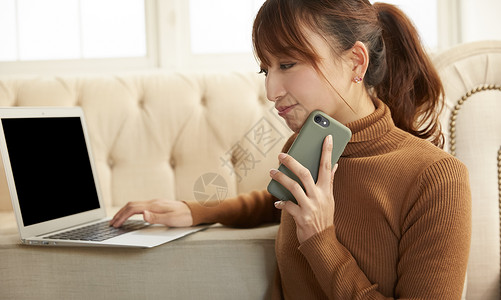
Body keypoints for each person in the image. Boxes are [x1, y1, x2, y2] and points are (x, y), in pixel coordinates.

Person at [110, 0, 471, 298]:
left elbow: (311, 216)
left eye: (287, 64)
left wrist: (321, 241)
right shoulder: (304, 147)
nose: (271, 91)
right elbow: (280, 202)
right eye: (265, 69)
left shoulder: (436, 179)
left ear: (356, 62)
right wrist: (195, 212)